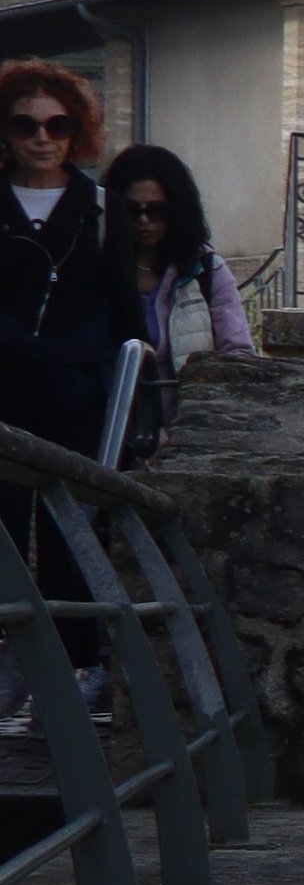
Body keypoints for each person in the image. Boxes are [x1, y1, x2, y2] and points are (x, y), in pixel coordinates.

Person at [0, 59, 133, 728]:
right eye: (25, 123)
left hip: (75, 388)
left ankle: (78, 665)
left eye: (56, 123)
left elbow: (124, 309)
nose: (41, 137)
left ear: (74, 129)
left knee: (69, 527)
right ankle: (10, 660)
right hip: (2, 386)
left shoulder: (101, 211)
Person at [99, 147, 250, 470]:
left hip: (184, 443)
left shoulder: (205, 271)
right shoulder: (96, 268)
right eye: (132, 210)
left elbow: (237, 357)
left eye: (156, 210)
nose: (144, 221)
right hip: (105, 434)